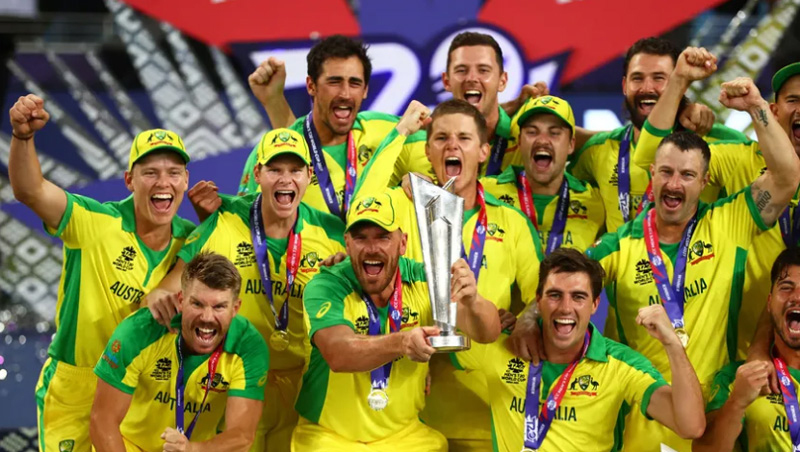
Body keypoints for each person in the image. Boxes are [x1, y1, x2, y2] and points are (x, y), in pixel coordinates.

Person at [584, 71, 800, 451]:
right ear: (652, 175)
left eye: (687, 175)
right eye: (666, 172)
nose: (674, 184)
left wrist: (755, 106)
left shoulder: (729, 222)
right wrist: (532, 318)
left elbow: (786, 176)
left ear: (704, 181)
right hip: (648, 412)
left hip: (716, 410)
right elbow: (566, 282)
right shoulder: (618, 246)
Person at [8, 94, 195, 452]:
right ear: (129, 180)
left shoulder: (193, 240)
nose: (163, 182)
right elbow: (30, 190)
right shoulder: (93, 222)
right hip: (78, 385)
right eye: (150, 173)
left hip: (143, 393)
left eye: (173, 173)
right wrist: (23, 136)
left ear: (185, 180)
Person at [356, 98, 544, 450]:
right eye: (441, 138)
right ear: (427, 151)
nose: (452, 146)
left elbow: (541, 293)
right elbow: (361, 203)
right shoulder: (404, 207)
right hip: (412, 399)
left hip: (489, 405)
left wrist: (526, 319)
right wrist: (401, 131)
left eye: (464, 138)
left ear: (484, 151)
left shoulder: (511, 222)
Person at [144, 128, 345, 452]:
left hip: (305, 387)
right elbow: (170, 285)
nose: (286, 179)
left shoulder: (334, 234)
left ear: (309, 175)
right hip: (235, 383)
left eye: (295, 170)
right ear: (257, 174)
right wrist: (156, 296)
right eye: (275, 169)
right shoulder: (224, 221)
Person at [293, 190, 501, 451]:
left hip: (405, 436)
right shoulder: (326, 285)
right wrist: (402, 342)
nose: (371, 248)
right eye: (361, 237)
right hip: (329, 436)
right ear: (347, 243)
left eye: (383, 237)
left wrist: (474, 301)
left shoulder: (426, 279)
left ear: (402, 243)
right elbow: (338, 353)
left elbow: (487, 333)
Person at [454, 248, 705, 451]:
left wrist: (673, 344)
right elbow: (456, 321)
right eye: (555, 295)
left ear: (595, 304)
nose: (566, 307)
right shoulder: (503, 346)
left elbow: (691, 427)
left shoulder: (620, 364)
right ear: (538, 300)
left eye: (578, 297)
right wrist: (471, 299)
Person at [634, 61, 800, 360]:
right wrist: (680, 81)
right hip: (739, 355)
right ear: (774, 111)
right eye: (793, 100)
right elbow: (648, 156)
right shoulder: (735, 159)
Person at [235, 35, 432, 220]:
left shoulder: (391, 131)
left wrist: (418, 181)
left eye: (354, 83)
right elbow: (245, 225)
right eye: (334, 82)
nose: (345, 94)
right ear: (311, 86)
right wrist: (274, 101)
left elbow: (447, 173)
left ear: (365, 90)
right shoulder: (270, 152)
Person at [90, 251, 269, 452]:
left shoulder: (248, 347)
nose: (207, 317)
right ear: (181, 300)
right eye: (197, 304)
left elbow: (241, 435)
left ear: (235, 308)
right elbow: (102, 420)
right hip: (128, 446)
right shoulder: (139, 331)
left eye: (219, 307)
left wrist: (192, 449)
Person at [568, 38, 749, 232]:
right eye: (637, 78)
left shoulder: (720, 142)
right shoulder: (598, 150)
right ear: (624, 85)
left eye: (659, 78)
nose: (647, 88)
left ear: (679, 82)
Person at [694, 246, 800, 452]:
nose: (796, 297)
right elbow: (704, 450)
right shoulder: (737, 378)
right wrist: (737, 402)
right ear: (769, 303)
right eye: (786, 287)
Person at [481, 95, 605, 254]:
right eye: (532, 132)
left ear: (571, 144)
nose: (542, 141)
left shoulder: (596, 202)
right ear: (519, 141)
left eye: (554, 133)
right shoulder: (485, 193)